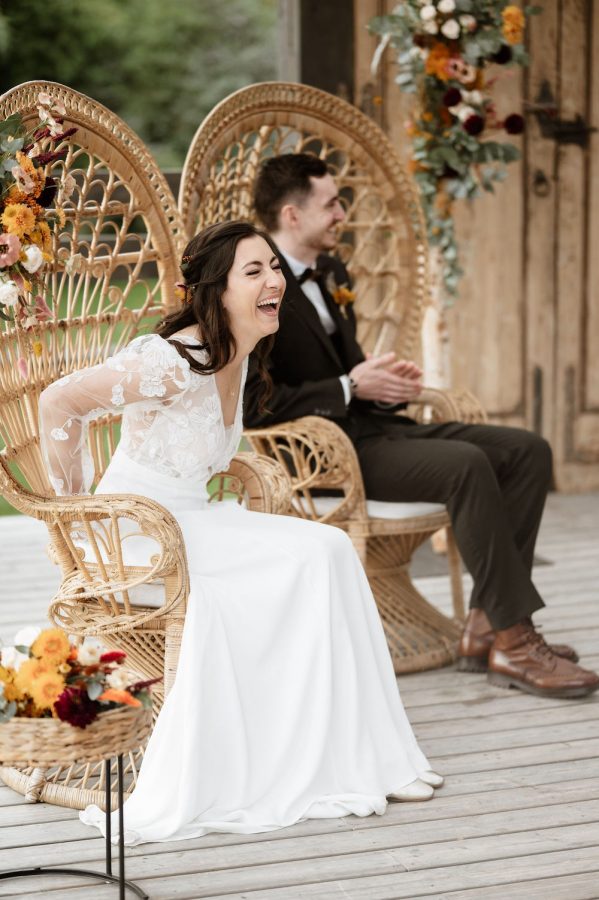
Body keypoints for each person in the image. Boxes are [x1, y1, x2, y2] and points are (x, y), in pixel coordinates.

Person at [38, 221, 443, 846]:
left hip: (195, 519)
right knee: (304, 564)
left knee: (331, 549)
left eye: (273, 268)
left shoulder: (241, 351)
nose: (273, 280)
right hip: (144, 533)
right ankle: (319, 758)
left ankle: (373, 756)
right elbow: (59, 403)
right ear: (216, 291)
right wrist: (75, 518)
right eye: (253, 272)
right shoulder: (168, 362)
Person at [245, 153, 599, 701]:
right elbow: (253, 406)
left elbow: (349, 369)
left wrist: (383, 382)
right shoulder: (254, 289)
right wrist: (348, 388)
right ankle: (515, 642)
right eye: (332, 203)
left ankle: (484, 623)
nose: (343, 213)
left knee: (528, 449)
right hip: (321, 453)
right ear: (292, 216)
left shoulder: (332, 272)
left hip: (376, 428)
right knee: (467, 465)